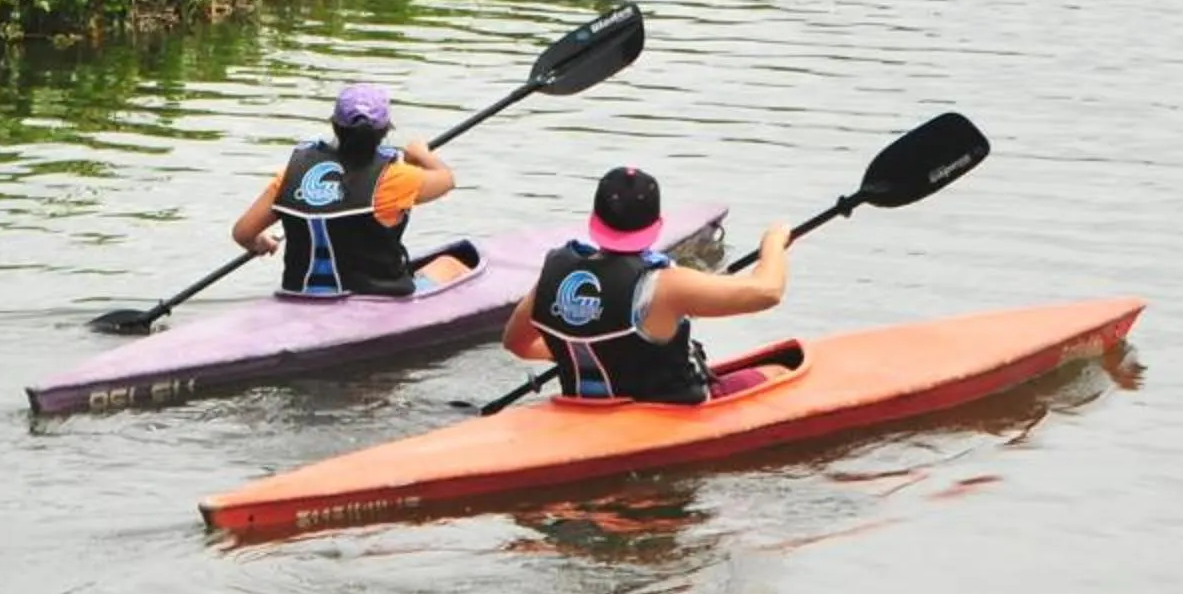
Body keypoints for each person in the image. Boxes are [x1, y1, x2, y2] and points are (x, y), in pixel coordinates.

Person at [500, 165, 790, 403]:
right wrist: (774, 242)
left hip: (584, 407)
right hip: (669, 410)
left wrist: (588, 354)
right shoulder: (668, 285)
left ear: (594, 219)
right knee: (780, 373)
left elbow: (516, 343)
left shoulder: (554, 274)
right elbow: (768, 292)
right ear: (658, 225)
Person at [229, 83, 457, 298]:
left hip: (300, 295)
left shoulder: (292, 175)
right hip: (377, 298)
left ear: (335, 126)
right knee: (451, 264)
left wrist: (261, 243)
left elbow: (243, 233)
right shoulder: (397, 178)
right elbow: (446, 180)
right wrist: (420, 153)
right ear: (385, 129)